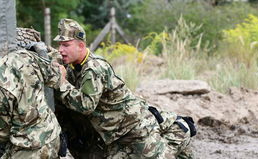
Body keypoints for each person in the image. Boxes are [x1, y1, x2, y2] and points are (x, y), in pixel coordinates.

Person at [52, 18, 195, 158]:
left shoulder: (94, 68)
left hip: (134, 129)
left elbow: (86, 105)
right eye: (60, 45)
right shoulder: (73, 66)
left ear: (81, 46)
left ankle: (182, 129)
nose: (61, 50)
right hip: (116, 135)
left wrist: (61, 82)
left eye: (66, 45)